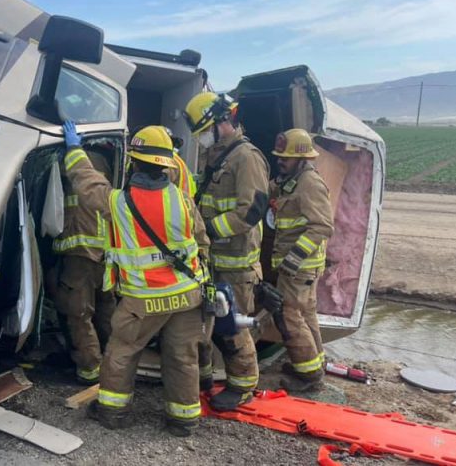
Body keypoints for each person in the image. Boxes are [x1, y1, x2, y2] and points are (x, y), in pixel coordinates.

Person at [62, 121, 210, 437]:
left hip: (145, 300)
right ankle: (183, 419)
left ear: (133, 161)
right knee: (182, 356)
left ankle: (113, 413)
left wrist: (74, 149)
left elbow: (87, 184)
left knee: (122, 351)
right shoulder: (183, 200)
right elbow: (201, 241)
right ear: (167, 165)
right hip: (188, 295)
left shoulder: (120, 203)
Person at [183, 92, 269, 411]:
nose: (202, 139)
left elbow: (251, 211)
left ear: (223, 121)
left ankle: (242, 386)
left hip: (236, 264)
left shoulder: (247, 157)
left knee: (231, 327)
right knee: (206, 324)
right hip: (212, 260)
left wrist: (207, 230)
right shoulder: (218, 155)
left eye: (205, 130)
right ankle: (203, 379)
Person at [268, 128, 334, 393]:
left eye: (285, 157)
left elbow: (322, 226)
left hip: (299, 268)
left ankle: (309, 378)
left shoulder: (309, 183)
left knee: (290, 317)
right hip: (302, 270)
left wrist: (294, 258)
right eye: (278, 156)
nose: (280, 161)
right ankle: (312, 366)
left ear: (302, 158)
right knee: (307, 317)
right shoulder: (291, 180)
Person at [52, 148, 116, 385]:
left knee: (77, 312)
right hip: (105, 250)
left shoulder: (71, 162)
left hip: (80, 251)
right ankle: (114, 364)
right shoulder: (106, 159)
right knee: (105, 307)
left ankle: (90, 369)